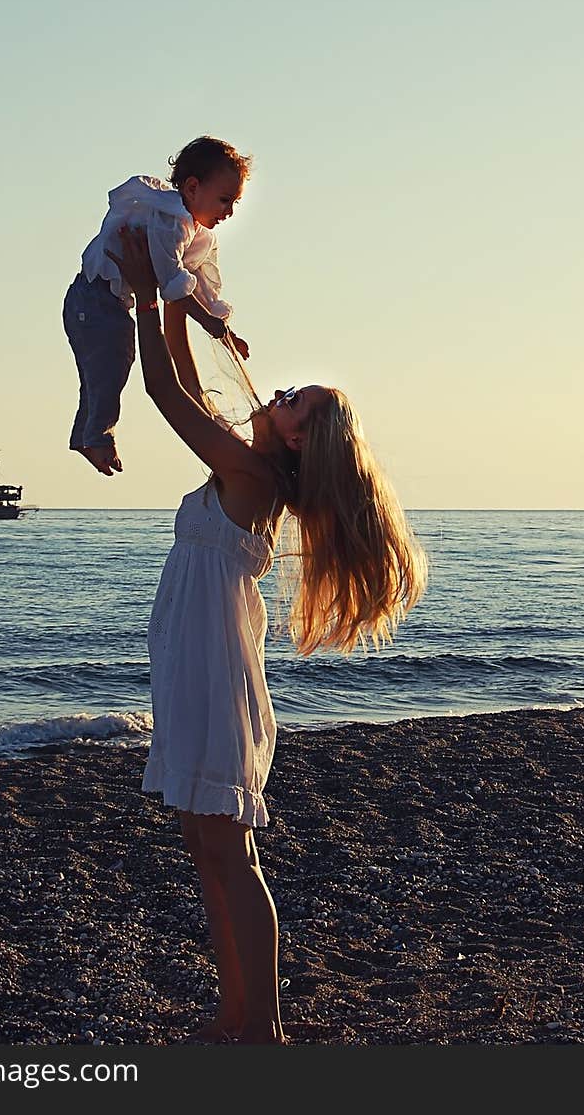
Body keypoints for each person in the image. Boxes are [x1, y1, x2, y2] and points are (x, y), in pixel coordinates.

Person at [110, 224, 428, 1045]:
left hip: (214, 669)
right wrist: (179, 295)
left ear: (296, 439)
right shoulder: (247, 463)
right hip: (195, 661)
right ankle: (235, 1012)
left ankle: (266, 1027)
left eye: (293, 402)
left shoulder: (250, 473)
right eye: (289, 391)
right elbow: (181, 372)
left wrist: (149, 292)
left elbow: (161, 390)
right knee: (206, 852)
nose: (276, 396)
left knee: (232, 855)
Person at [62, 136, 252, 476]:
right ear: (193, 188)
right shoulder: (172, 221)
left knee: (101, 371)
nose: (230, 211)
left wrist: (225, 331)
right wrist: (209, 323)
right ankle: (98, 436)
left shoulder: (197, 234)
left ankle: (88, 436)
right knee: (110, 365)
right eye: (225, 200)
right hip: (93, 298)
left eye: (235, 203)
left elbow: (201, 287)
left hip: (101, 301)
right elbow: (172, 285)